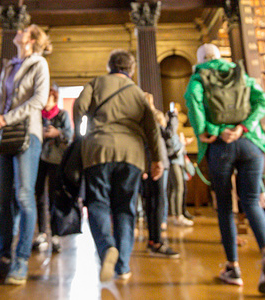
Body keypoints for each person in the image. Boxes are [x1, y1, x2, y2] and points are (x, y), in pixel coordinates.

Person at [184, 43, 265, 295]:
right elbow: (263, 101)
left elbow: (194, 107)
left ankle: (232, 268)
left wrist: (213, 131)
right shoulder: (240, 73)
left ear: (200, 59)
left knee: (225, 205)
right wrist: (243, 127)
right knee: (251, 201)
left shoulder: (197, 78)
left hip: (220, 147)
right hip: (250, 143)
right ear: (219, 56)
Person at [73, 49, 165, 282]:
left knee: (98, 203)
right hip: (131, 154)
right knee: (125, 208)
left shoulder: (96, 82)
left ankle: (107, 249)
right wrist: (156, 159)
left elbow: (79, 108)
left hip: (98, 150)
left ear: (109, 66)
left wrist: (81, 135)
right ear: (131, 69)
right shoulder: (137, 92)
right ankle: (122, 265)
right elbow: (152, 129)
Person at [0, 24, 51, 285]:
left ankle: (21, 260)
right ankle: (3, 259)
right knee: (3, 199)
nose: (19, 30)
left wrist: (6, 118)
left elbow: (39, 100)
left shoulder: (40, 64)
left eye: (25, 29)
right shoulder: (9, 65)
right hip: (3, 135)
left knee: (24, 196)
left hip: (27, 134)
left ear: (32, 39)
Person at [33, 84, 73, 253]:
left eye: (48, 98)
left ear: (54, 99)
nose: (45, 102)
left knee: (55, 196)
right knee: (40, 195)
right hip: (38, 158)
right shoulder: (37, 116)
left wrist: (58, 133)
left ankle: (55, 234)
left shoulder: (62, 115)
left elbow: (70, 136)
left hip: (56, 160)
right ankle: (42, 232)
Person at [142, 100, 178, 258]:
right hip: (157, 164)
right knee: (158, 202)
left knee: (151, 203)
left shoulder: (139, 122)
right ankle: (157, 242)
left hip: (148, 164)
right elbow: (168, 133)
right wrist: (173, 117)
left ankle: (152, 240)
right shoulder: (149, 121)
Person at [165, 107, 194, 227]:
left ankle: (173, 214)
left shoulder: (174, 133)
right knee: (178, 188)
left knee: (174, 189)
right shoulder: (170, 132)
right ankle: (177, 215)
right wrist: (183, 144)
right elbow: (173, 149)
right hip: (174, 162)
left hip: (177, 162)